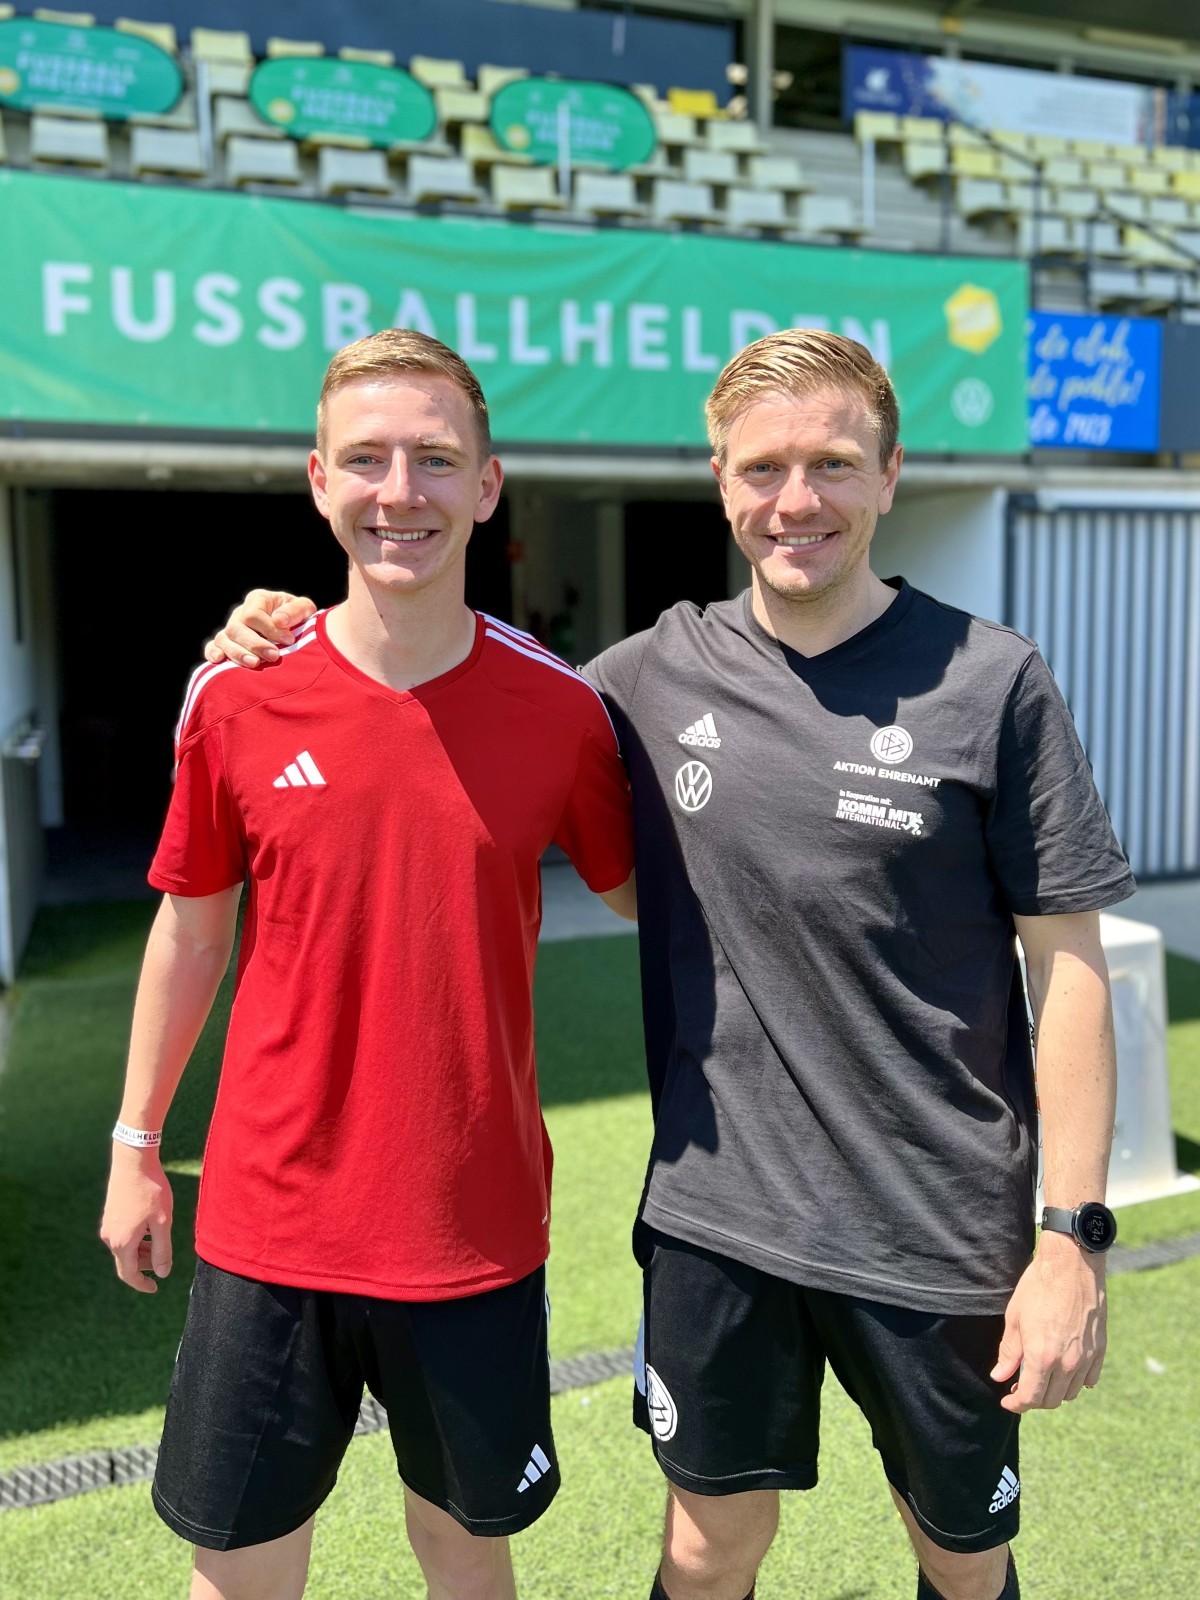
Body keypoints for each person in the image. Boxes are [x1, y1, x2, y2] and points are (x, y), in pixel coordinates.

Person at [205, 329, 1132, 1600]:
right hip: (718, 1223)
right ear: (720, 482)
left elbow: (1069, 968)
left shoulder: (995, 681)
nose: (796, 500)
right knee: (703, 1552)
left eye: (832, 463)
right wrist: (285, 631)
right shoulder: (643, 678)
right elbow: (445, 679)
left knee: (963, 1563)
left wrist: (1072, 1238)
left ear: (889, 473)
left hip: (936, 1226)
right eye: (763, 469)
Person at [100, 329, 635, 1600]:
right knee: (237, 1566)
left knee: (465, 1552)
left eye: (436, 459)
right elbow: (191, 932)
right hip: (268, 1222)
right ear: (319, 480)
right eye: (368, 459)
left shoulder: (561, 710)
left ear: (488, 486)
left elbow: (661, 902)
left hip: (470, 1223)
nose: (402, 491)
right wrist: (135, 1146)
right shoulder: (236, 696)